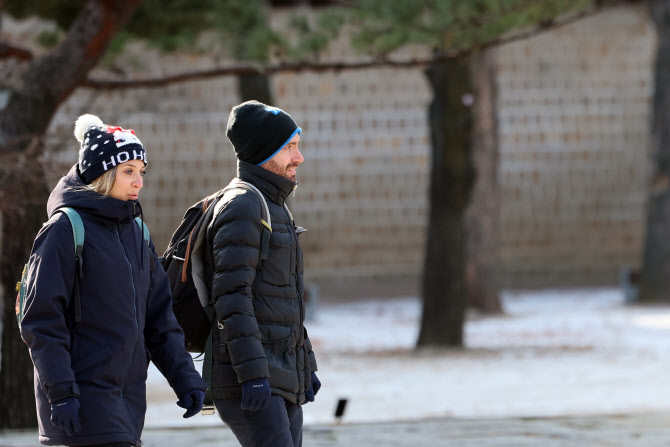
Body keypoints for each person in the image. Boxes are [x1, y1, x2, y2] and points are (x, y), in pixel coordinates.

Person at [19, 114, 208, 447]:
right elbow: (41, 321)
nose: (139, 182)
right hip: (79, 400)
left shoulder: (137, 233)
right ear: (102, 175)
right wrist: (60, 391)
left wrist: (185, 378)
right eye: (128, 172)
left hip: (128, 402)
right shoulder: (64, 230)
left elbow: (159, 317)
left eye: (141, 172)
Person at [206, 100, 320, 447]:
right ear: (263, 151)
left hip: (281, 374)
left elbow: (280, 301)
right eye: (290, 148)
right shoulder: (243, 206)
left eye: (297, 147)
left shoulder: (274, 206)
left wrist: (306, 365)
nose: (298, 158)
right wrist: (253, 375)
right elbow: (232, 299)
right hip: (251, 378)